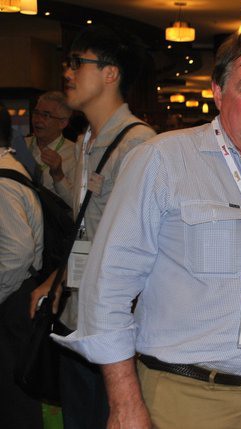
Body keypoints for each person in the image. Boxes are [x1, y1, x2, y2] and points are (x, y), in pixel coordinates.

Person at [54, 26, 241, 429]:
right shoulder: (162, 160)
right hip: (186, 400)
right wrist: (124, 402)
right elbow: (107, 286)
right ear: (218, 92)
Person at [28, 25, 157, 429]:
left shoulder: (138, 145)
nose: (67, 72)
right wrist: (57, 279)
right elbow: (86, 227)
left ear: (110, 73)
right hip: (77, 311)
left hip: (114, 323)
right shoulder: (86, 139)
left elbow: (137, 244)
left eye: (77, 63)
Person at [0, 103, 44, 428]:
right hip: (17, 292)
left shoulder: (1, 179)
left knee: (13, 398)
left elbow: (17, 251)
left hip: (11, 297)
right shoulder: (11, 166)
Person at [27, 91, 75, 203]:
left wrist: (58, 175)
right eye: (36, 113)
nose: (38, 120)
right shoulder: (20, 145)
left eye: (46, 115)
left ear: (62, 123)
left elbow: (76, 204)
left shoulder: (75, 153)